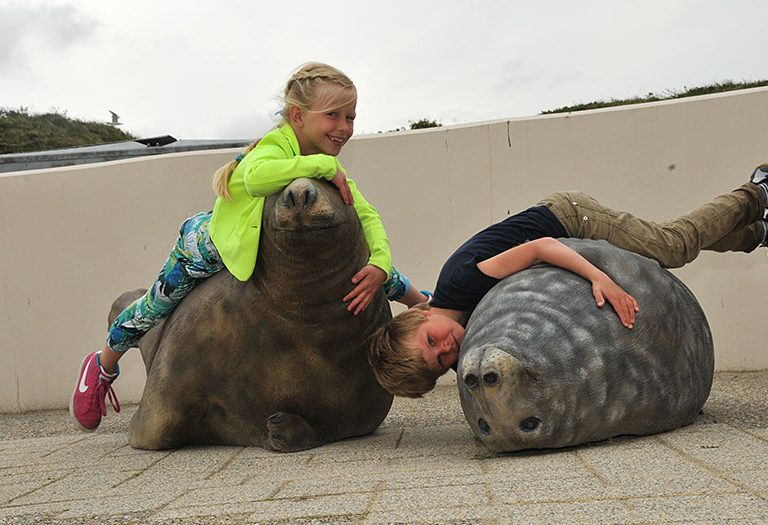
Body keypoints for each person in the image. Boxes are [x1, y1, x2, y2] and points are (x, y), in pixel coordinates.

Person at [70, 62, 428, 432]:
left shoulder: (327, 169)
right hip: (212, 243)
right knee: (155, 306)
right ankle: (101, 366)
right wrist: (320, 165)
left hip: (269, 248)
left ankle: (426, 303)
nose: (344, 127)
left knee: (363, 267)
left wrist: (381, 263)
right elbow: (255, 178)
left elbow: (367, 219)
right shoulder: (277, 147)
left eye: (350, 116)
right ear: (297, 116)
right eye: (333, 115)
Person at [368, 165, 768, 398]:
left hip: (570, 218)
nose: (447, 348)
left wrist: (600, 279)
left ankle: (758, 190)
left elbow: (541, 247)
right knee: (668, 238)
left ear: (421, 320)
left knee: (672, 247)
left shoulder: (460, 282)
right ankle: (757, 233)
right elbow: (423, 304)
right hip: (560, 228)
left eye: (431, 341)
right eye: (440, 362)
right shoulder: (455, 323)